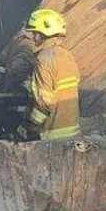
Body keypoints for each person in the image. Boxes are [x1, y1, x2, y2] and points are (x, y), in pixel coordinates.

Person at [17, 9, 80, 141]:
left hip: (50, 136)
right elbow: (61, 91)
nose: (33, 37)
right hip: (72, 132)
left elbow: (44, 102)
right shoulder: (67, 56)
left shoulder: (44, 59)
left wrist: (28, 127)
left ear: (42, 34)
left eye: (35, 33)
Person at [0, 27, 37, 93]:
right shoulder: (29, 44)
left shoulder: (19, 37)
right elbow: (16, 70)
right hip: (18, 95)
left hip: (8, 91)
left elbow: (1, 59)